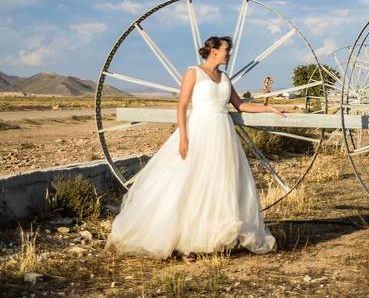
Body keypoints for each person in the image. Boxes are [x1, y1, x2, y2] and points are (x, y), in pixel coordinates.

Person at [107, 35, 283, 257]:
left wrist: (270, 109)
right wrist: (183, 137)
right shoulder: (193, 73)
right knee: (189, 178)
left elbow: (240, 105)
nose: (229, 53)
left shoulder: (224, 77)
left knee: (220, 181)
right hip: (199, 130)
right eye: (227, 49)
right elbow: (181, 107)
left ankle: (215, 235)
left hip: (222, 133)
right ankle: (179, 233)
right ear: (214, 51)